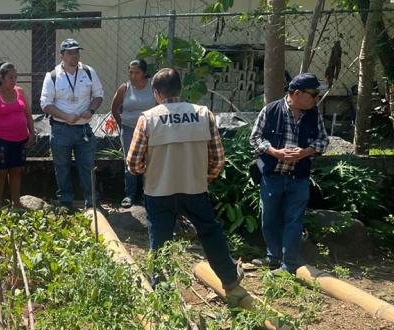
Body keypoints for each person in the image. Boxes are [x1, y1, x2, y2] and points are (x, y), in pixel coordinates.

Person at [127, 68, 242, 290]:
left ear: (156, 93)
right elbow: (218, 159)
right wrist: (204, 177)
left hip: (158, 190)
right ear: (180, 88)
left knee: (160, 241)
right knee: (209, 231)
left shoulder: (148, 118)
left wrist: (150, 172)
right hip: (194, 188)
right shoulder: (203, 114)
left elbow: (133, 163)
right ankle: (229, 277)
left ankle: (162, 289)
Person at [249, 72, 329, 273]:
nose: (316, 99)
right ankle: (273, 257)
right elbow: (255, 138)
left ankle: (289, 265)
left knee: (294, 220)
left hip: (299, 177)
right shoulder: (270, 110)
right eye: (314, 94)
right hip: (272, 175)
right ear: (297, 93)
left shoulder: (313, 114)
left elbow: (323, 141)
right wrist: (275, 152)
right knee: (269, 218)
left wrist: (305, 152)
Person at [40, 38, 104, 210]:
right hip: (61, 129)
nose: (74, 55)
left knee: (88, 165)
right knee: (62, 166)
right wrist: (65, 116)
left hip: (83, 128)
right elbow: (45, 103)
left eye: (76, 52)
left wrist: (90, 110)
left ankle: (92, 202)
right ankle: (65, 202)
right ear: (62, 56)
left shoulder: (89, 72)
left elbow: (98, 95)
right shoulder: (52, 76)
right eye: (70, 53)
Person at [0, 62, 36, 207]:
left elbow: (28, 115)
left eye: (15, 77)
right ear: (1, 78)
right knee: (0, 173)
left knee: (16, 172)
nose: (14, 80)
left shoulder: (20, 92)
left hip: (20, 140)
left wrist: (32, 133)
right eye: (10, 77)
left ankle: (16, 203)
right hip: (1, 141)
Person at [110, 58, 156, 208]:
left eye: (137, 72)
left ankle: (147, 195)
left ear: (144, 73)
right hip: (129, 129)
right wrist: (122, 123)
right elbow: (115, 108)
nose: (133, 75)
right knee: (129, 161)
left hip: (150, 129)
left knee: (149, 160)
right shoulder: (125, 88)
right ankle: (130, 195)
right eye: (131, 72)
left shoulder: (153, 87)